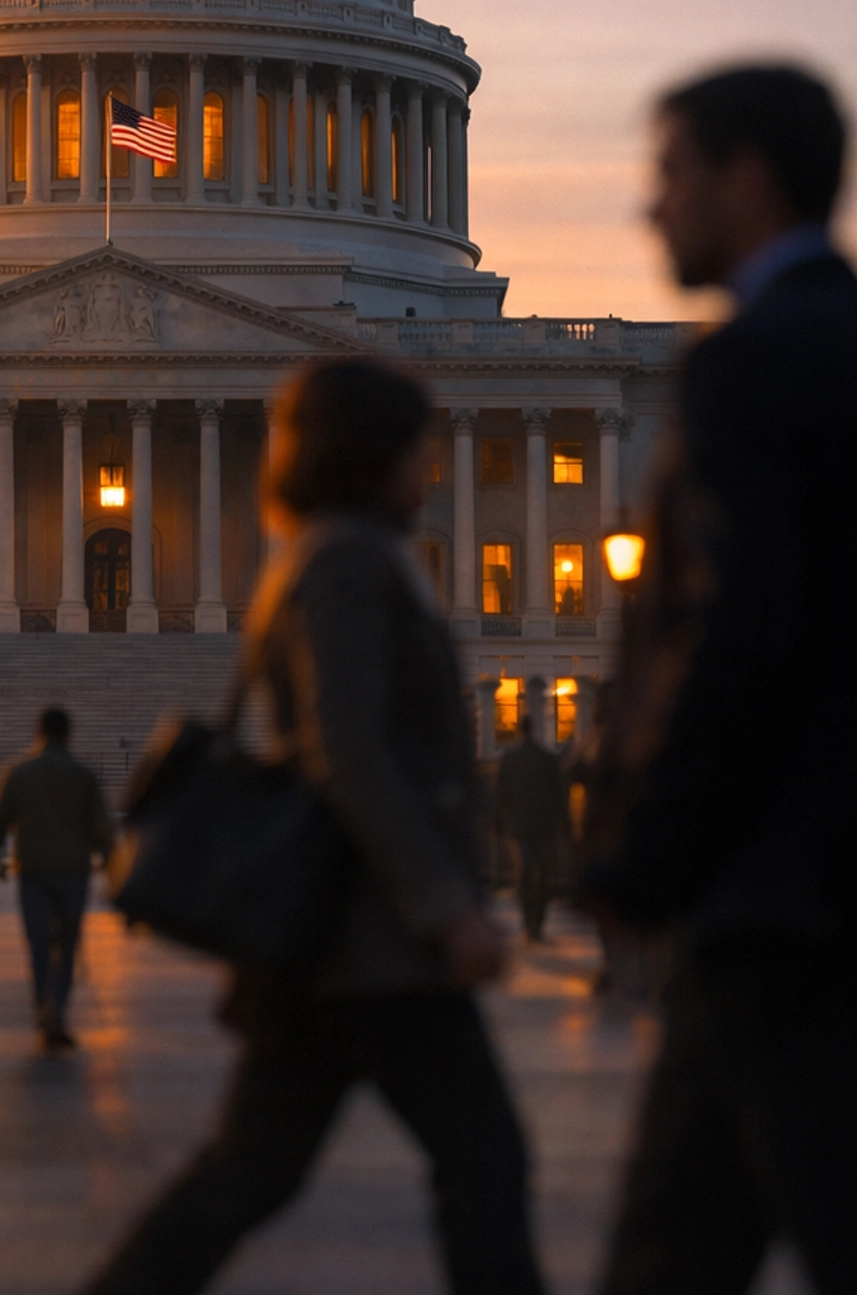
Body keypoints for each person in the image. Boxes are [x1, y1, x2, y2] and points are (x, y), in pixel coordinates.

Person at [81, 358, 544, 1295]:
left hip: (330, 938)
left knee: (248, 1175)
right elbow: (351, 751)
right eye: (421, 447)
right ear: (372, 453)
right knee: (483, 1163)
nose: (433, 468)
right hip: (370, 935)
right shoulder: (343, 563)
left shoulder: (337, 553)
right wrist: (444, 907)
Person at [588, 64, 857, 1295]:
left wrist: (644, 856)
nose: (650, 211)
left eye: (672, 176)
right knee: (674, 1243)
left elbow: (738, 636)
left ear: (746, 179)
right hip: (832, 881)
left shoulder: (749, 367)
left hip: (773, 893)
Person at [0, 706, 112, 1051]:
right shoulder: (82, 774)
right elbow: (103, 829)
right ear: (68, 733)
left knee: (39, 943)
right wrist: (115, 869)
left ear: (38, 731)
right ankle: (56, 1009)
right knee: (67, 945)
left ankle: (44, 1006)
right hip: (73, 872)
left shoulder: (19, 772)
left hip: (34, 873)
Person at [495, 715, 568, 942]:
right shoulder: (548, 758)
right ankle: (539, 925)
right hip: (544, 826)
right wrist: (563, 824)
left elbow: (501, 794)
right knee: (544, 875)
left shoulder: (509, 758)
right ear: (534, 729)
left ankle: (528, 924)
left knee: (524, 875)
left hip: (519, 827)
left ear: (519, 730)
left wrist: (499, 821)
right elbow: (559, 795)